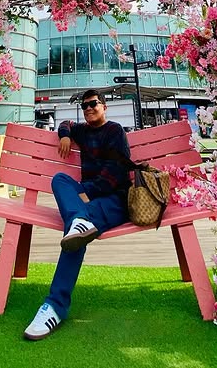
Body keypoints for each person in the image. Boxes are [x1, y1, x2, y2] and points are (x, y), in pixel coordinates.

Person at [23, 89, 131, 340]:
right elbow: (66, 123)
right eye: (85, 106)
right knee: (60, 179)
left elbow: (115, 174)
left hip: (115, 200)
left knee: (75, 230)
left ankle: (55, 307)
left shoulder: (115, 131)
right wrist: (64, 136)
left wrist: (85, 195)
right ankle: (79, 221)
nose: (89, 109)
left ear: (104, 107)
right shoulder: (82, 130)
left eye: (94, 104)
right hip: (89, 199)